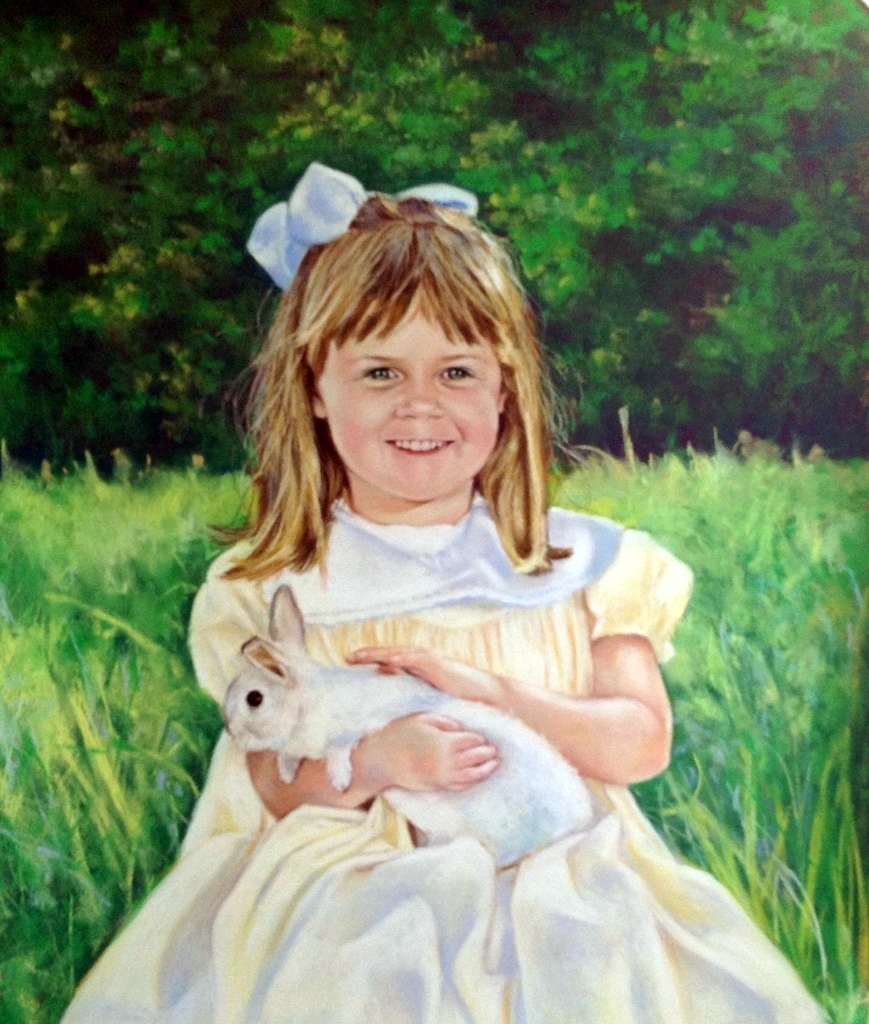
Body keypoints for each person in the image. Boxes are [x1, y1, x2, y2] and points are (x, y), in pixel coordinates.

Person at [62, 162, 825, 1024]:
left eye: (456, 373)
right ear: (314, 389)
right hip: (345, 890)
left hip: (554, 866)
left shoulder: (581, 564)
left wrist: (487, 691)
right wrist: (378, 764)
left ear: (505, 387)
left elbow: (639, 743)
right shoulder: (275, 585)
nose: (420, 407)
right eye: (380, 374)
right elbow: (271, 783)